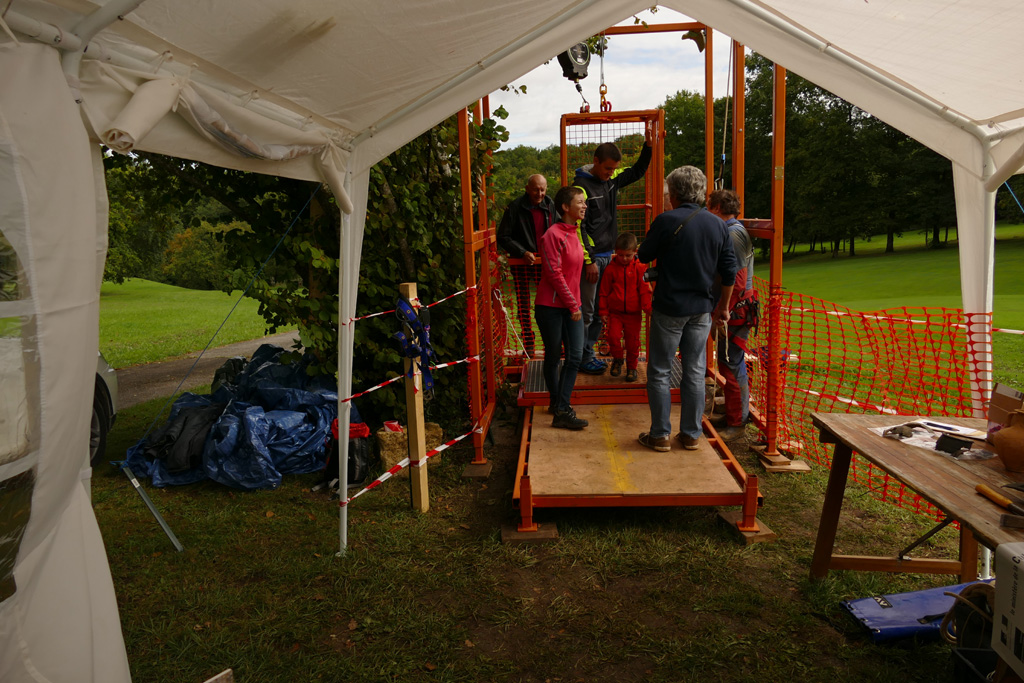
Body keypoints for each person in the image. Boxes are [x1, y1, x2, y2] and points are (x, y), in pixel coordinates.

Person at [636, 166, 737, 452]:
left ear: (676, 193)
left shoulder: (665, 220)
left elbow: (644, 255)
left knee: (659, 371)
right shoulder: (718, 225)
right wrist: (723, 308)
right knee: (694, 371)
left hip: (669, 307)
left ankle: (659, 435)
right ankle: (691, 434)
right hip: (702, 310)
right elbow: (729, 271)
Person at [573, 123, 655, 375]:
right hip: (592, 259)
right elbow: (579, 227)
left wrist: (648, 146)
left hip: (609, 257)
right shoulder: (581, 189)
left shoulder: (610, 183)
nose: (611, 173)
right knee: (587, 311)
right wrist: (588, 260)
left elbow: (637, 171)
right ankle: (581, 357)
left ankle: (588, 352)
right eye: (608, 168)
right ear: (595, 161)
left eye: (614, 169)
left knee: (599, 313)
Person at [535, 186, 590, 430]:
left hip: (571, 306)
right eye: (580, 202)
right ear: (565, 207)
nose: (584, 206)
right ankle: (559, 405)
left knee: (575, 355)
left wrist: (574, 303)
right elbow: (554, 273)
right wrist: (571, 304)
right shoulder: (552, 234)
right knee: (554, 355)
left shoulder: (575, 232)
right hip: (551, 306)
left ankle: (561, 406)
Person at [708, 189, 756, 441]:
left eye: (708, 207)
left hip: (734, 311)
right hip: (733, 309)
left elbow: (736, 281)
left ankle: (737, 422)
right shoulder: (731, 231)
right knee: (730, 364)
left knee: (732, 365)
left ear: (716, 208)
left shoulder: (733, 234)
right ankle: (733, 415)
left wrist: (720, 312)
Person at [497, 174, 555, 355]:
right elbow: (503, 237)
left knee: (548, 303)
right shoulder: (515, 207)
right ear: (527, 189)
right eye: (536, 189)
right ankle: (528, 340)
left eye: (543, 189)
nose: (540, 193)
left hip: (544, 263)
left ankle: (552, 342)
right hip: (521, 263)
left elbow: (558, 229)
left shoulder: (550, 204)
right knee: (522, 302)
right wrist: (522, 252)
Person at [598, 232, 652, 383]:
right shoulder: (610, 269)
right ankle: (617, 359)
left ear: (635, 252)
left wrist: (648, 308)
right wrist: (603, 311)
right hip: (615, 313)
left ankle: (632, 367)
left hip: (634, 314)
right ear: (615, 252)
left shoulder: (640, 268)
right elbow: (603, 292)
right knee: (613, 337)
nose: (624, 259)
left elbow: (645, 290)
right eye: (620, 255)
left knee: (633, 342)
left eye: (628, 255)